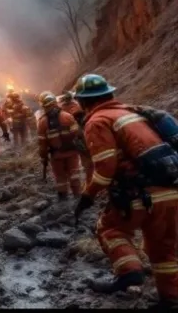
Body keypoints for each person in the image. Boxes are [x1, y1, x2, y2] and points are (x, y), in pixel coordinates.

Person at [71, 74, 178, 305]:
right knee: (164, 250)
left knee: (110, 229)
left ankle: (129, 271)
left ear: (82, 102)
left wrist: (88, 195)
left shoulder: (98, 121)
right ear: (110, 94)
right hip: (170, 191)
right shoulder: (135, 113)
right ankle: (171, 299)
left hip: (138, 194)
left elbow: (105, 169)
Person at [36, 91, 83, 200]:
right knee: (74, 175)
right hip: (72, 153)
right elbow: (78, 134)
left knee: (60, 178)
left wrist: (43, 157)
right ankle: (78, 197)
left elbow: (42, 145)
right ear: (55, 103)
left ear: (43, 106)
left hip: (56, 156)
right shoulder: (67, 116)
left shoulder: (42, 122)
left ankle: (63, 199)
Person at [59, 90, 93, 187]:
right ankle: (89, 181)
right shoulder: (78, 106)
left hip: (70, 139)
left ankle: (87, 182)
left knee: (83, 161)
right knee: (88, 159)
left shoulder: (61, 110)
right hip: (81, 135)